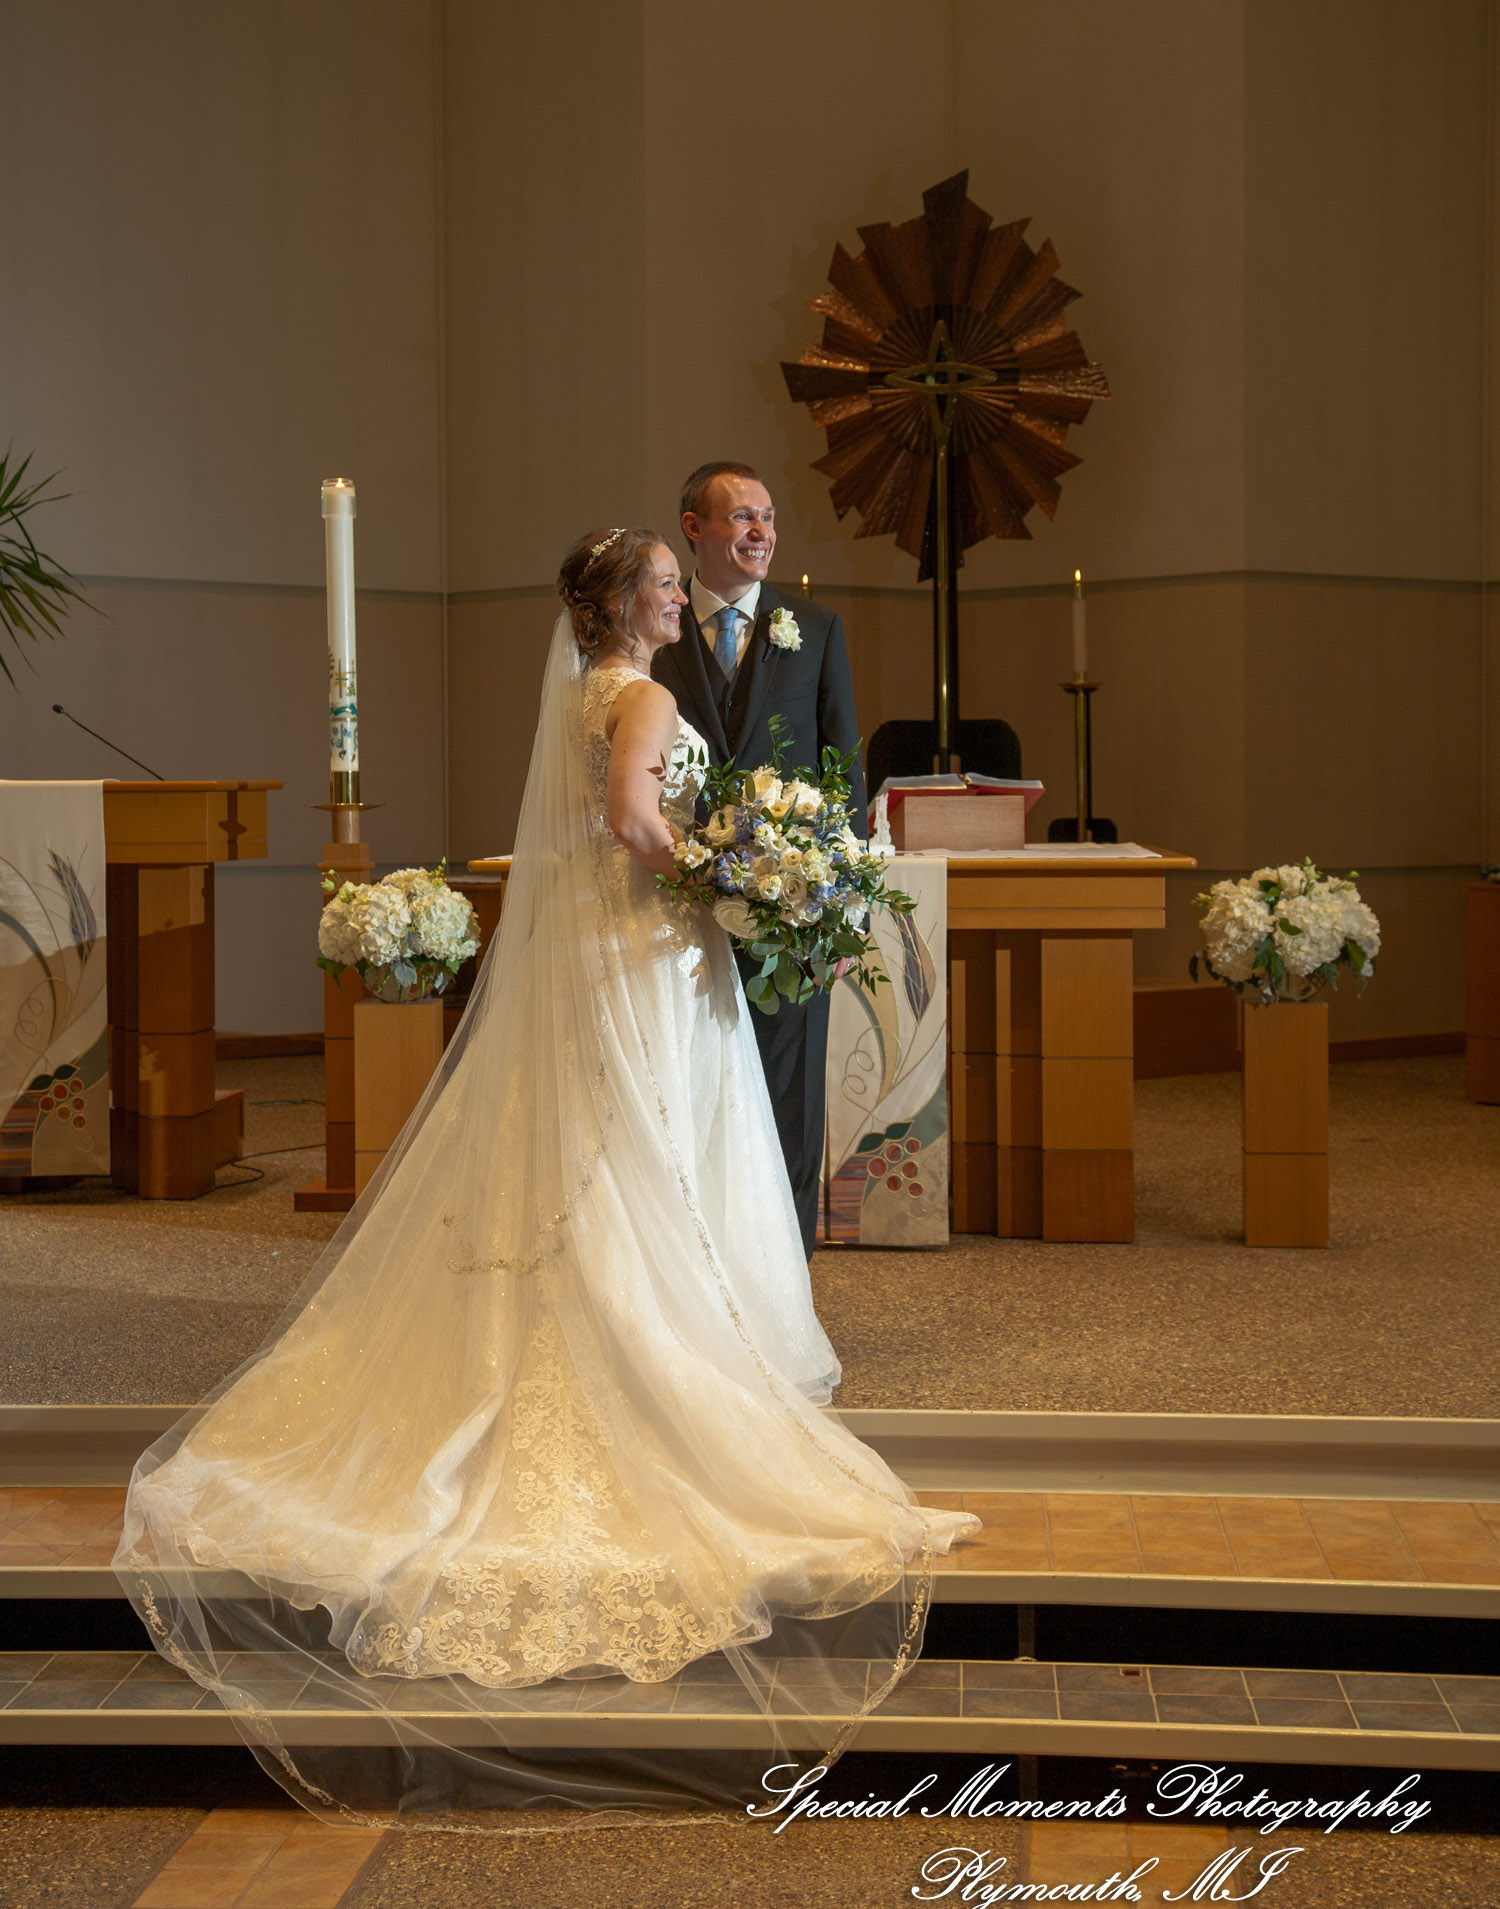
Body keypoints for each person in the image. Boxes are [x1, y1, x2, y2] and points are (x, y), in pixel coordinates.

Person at [114, 525, 976, 1834]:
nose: (684, 596)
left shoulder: (582, 693)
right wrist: (745, 876)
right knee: (643, 1167)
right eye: (665, 583)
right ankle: (652, 1369)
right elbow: (636, 822)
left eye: (683, 583)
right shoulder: (640, 696)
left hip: (611, 963)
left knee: (605, 1169)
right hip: (647, 958)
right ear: (618, 605)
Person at [657, 463, 865, 1259]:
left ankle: (785, 1267)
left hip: (788, 903)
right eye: (741, 516)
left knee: (787, 1088)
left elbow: (842, 769)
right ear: (693, 528)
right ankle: (696, 1264)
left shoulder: (815, 629)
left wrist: (828, 889)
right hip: (677, 897)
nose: (761, 532)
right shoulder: (657, 631)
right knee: (694, 1081)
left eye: (769, 518)